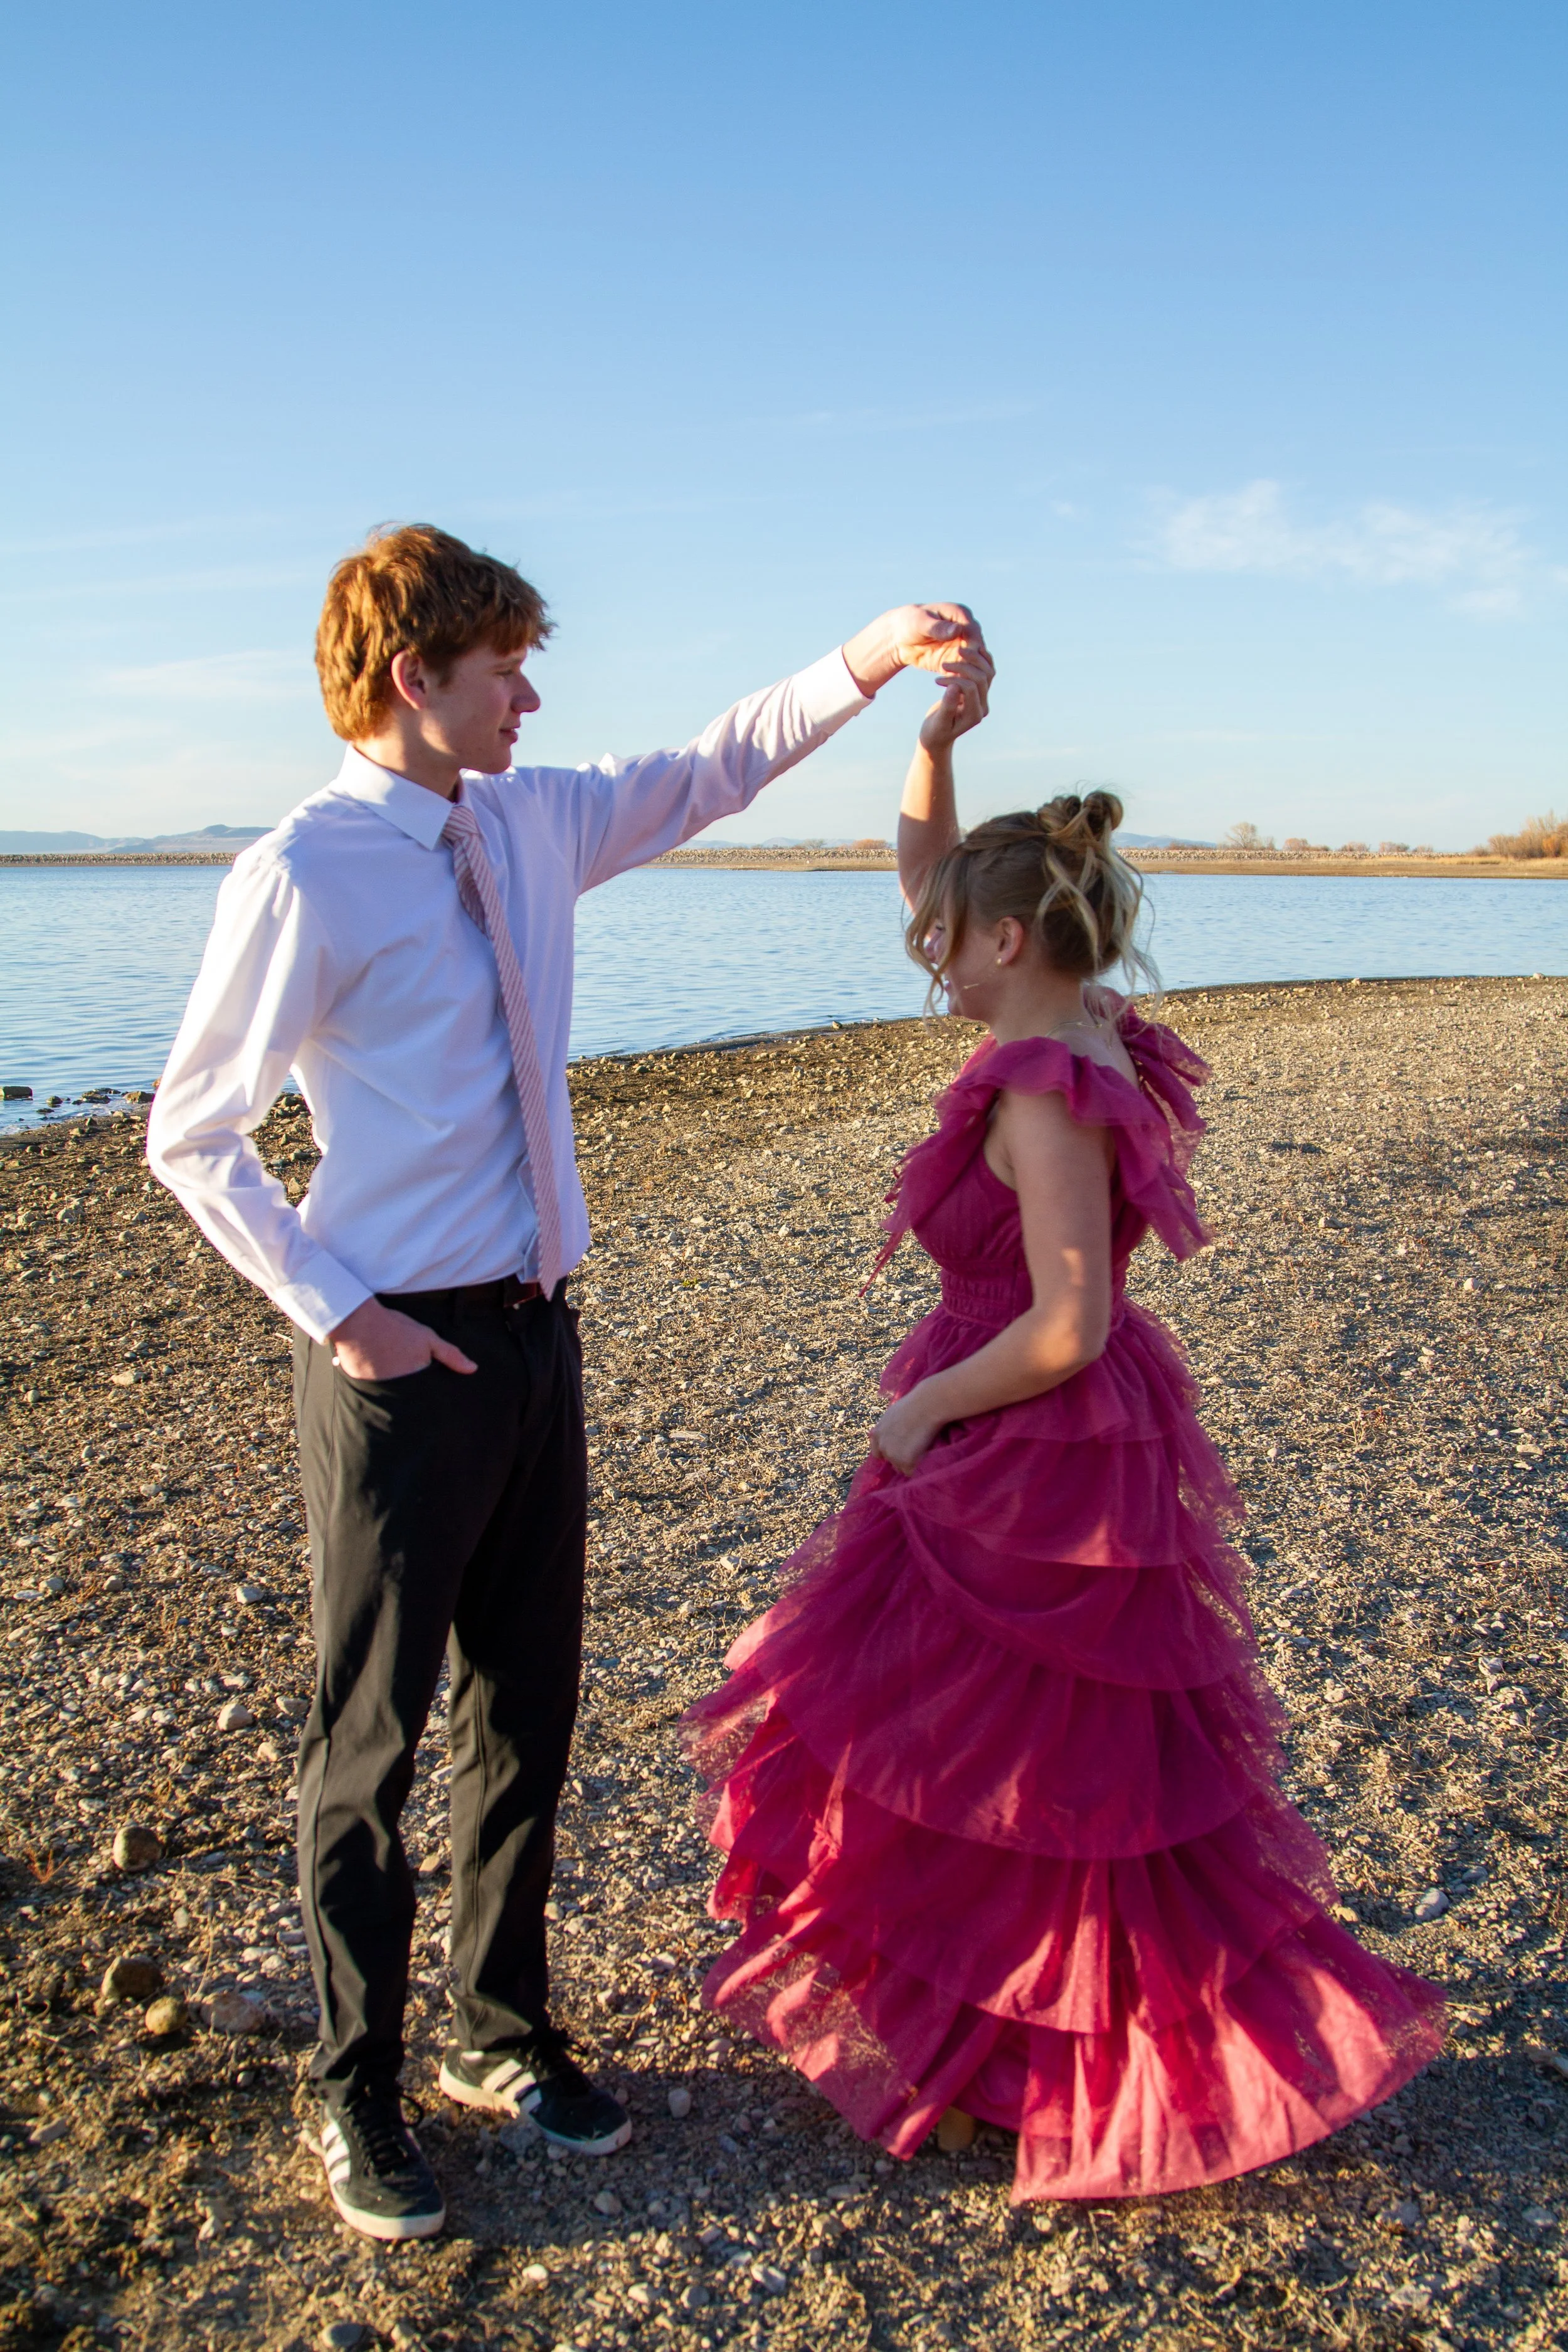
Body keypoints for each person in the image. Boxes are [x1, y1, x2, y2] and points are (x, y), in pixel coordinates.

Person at [147, 523, 993, 2242]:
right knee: (368, 1738)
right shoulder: (304, 871)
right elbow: (195, 1133)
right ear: (412, 679)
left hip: (539, 1329)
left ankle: (497, 2029)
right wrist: (346, 1316)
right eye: (504, 668)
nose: (532, 695)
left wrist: (865, 654)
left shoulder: (528, 818)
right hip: (398, 1353)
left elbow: (709, 767)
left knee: (525, 1705)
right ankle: (352, 2083)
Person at [679, 675, 1445, 2200]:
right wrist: (930, 749)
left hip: (1021, 1421)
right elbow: (935, 882)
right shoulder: (1083, 1012)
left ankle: (1025, 2062)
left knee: (1000, 1755)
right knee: (1004, 1746)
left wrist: (914, 1413)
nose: (926, 961)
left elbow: (1067, 1325)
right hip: (1049, 1424)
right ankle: (986, 2033)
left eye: (948, 943)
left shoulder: (1044, 1092)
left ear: (1008, 942)